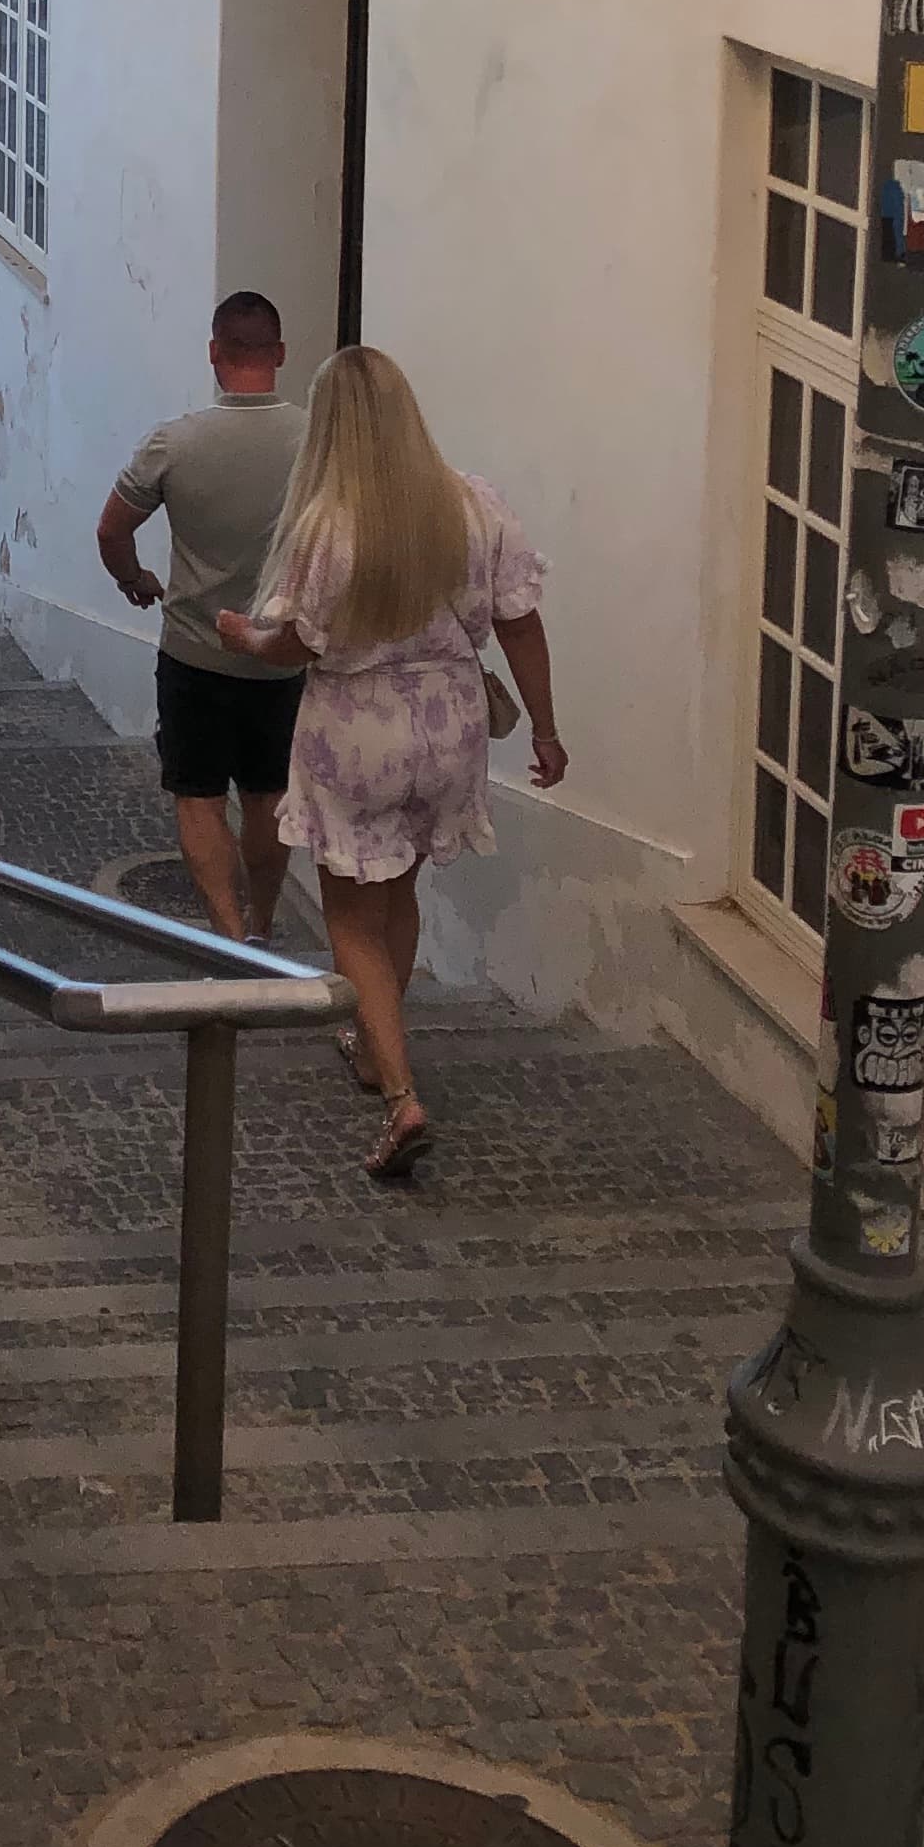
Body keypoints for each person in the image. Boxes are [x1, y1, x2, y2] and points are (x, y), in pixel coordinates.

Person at [217, 344, 568, 1186]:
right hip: (450, 725)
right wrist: (547, 730)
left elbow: (297, 644)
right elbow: (520, 621)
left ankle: (401, 1095)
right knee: (400, 889)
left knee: (349, 916)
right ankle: (380, 1049)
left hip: (356, 730)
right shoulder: (474, 506)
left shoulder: (328, 526)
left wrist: (243, 637)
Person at [97, 291, 307, 939]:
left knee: (199, 797)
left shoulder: (173, 443)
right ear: (280, 354)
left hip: (193, 655)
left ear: (214, 353)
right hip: (280, 657)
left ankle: (228, 932)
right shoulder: (318, 442)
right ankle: (267, 925)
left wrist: (135, 581)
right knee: (269, 796)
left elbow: (111, 532)